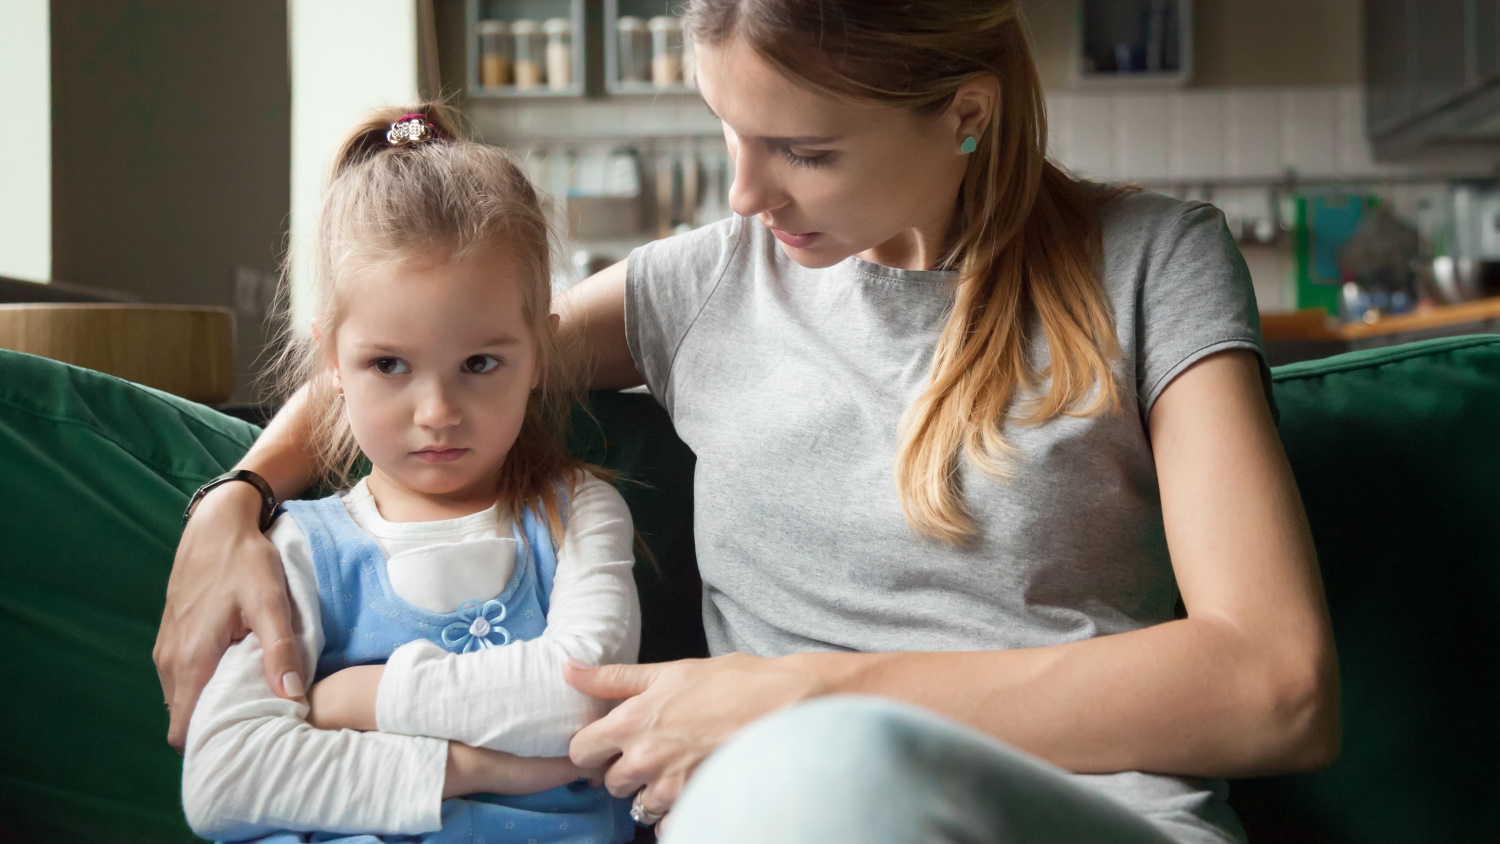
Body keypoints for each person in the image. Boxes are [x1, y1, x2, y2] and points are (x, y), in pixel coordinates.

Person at [159, 2, 1340, 842]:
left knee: (833, 778)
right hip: (767, 816)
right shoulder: (707, 284)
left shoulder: (1151, 264)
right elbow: (426, 355)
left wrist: (807, 696)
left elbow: (1277, 681)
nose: (744, 192)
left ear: (965, 114)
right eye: (732, 131)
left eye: (805, 151)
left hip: (1074, 814)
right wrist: (237, 497)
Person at [177, 106, 640, 843]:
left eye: (480, 364)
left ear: (540, 354)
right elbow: (223, 780)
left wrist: (360, 698)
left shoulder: (579, 512)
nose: (437, 412)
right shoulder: (297, 547)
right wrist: (473, 768)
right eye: (389, 364)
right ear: (332, 359)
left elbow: (582, 700)